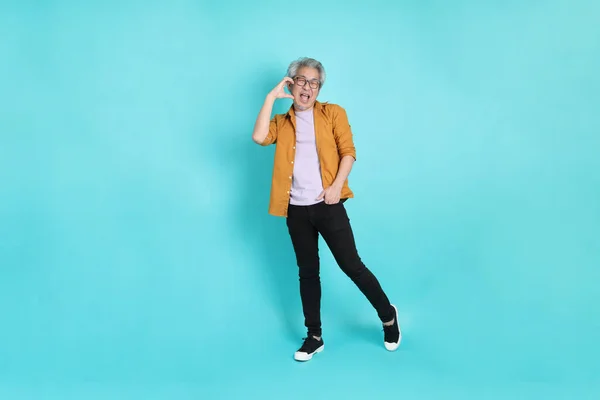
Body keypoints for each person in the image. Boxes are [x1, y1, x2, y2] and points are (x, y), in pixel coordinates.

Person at [251, 57, 401, 361]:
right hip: (295, 210)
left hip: (328, 205)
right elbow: (258, 137)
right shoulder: (282, 122)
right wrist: (270, 97)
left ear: (320, 88)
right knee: (308, 273)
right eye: (302, 81)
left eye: (314, 82)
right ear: (291, 84)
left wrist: (335, 188)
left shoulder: (333, 113)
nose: (308, 88)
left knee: (351, 265)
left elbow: (349, 153)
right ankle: (314, 336)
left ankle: (388, 316)